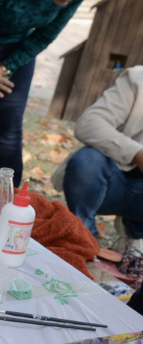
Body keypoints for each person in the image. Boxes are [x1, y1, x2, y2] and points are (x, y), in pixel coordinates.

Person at [0, 0, 83, 187]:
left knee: (9, 131)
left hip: (16, 49)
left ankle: (5, 198)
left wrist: (2, 71)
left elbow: (44, 36)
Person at [55, 66, 143, 256]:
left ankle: (135, 235)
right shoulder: (138, 78)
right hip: (112, 181)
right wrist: (137, 153)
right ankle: (85, 239)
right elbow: (89, 123)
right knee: (87, 161)